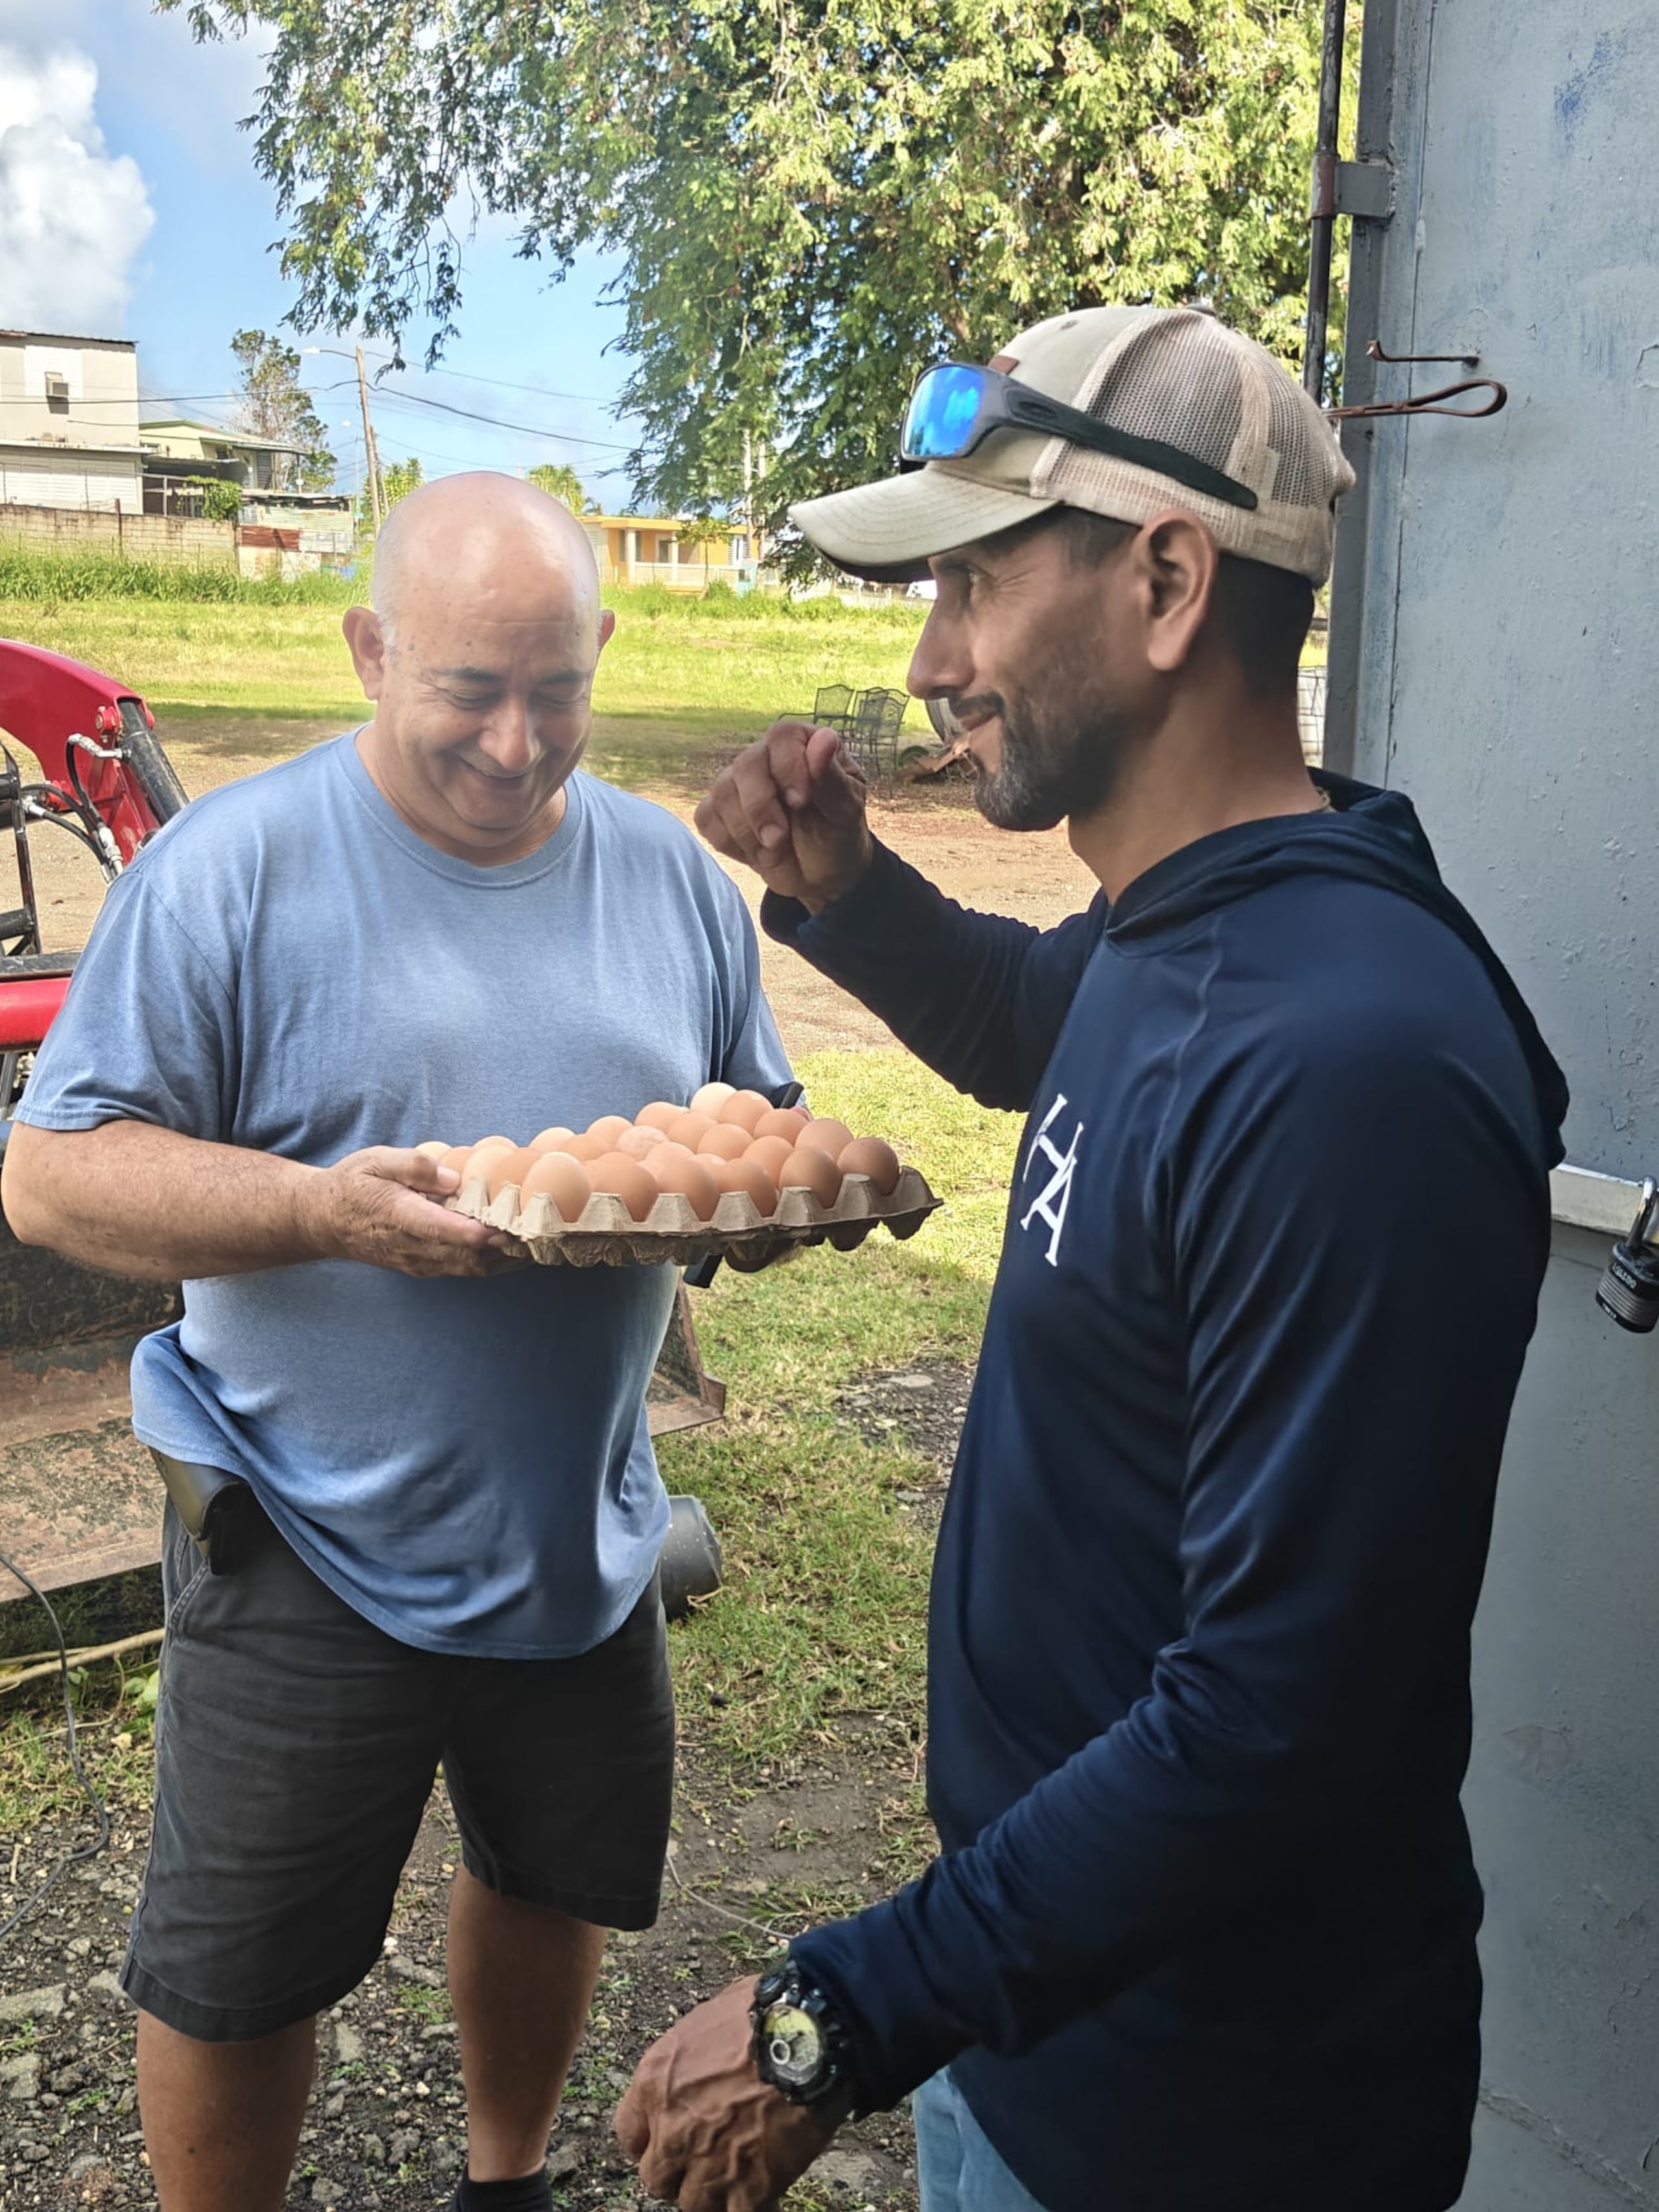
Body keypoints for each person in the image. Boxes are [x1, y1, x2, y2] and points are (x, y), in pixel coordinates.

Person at [614, 306, 1570, 2212]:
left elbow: (1272, 1721)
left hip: (1218, 2121)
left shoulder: (1350, 1062)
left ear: (1167, 579)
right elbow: (1046, 1018)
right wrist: (846, 890)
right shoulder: (1185, 927)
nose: (929, 659)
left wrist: (835, 2019)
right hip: (1050, 2019)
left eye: (975, 578)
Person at [0, 472, 791, 2212]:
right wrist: (324, 1214)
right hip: (304, 1526)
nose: (518, 745)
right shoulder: (232, 873)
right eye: (467, 692)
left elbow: (750, 1123)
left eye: (557, 690)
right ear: (370, 651)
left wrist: (745, 1212)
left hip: (582, 1527)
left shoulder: (665, 876)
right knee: (239, 1969)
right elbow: (53, 1182)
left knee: (551, 1875)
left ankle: (503, 2184)